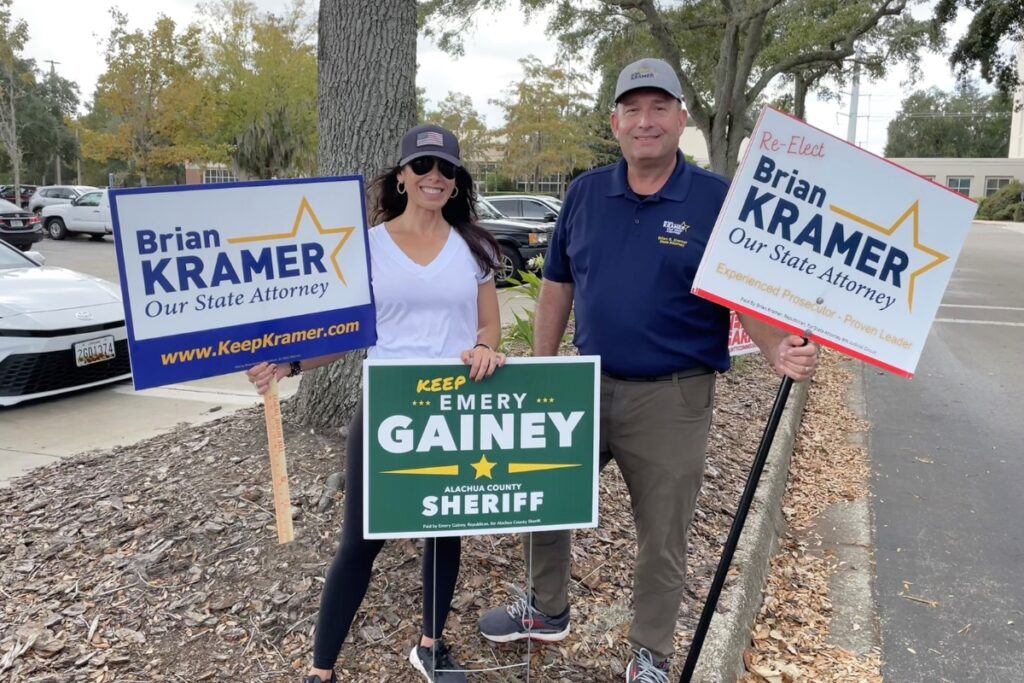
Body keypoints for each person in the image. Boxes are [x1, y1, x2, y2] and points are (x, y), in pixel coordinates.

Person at [477, 58, 819, 681]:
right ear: (615, 124)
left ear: (681, 119)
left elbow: (746, 292)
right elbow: (558, 285)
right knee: (544, 496)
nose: (646, 121)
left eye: (659, 107)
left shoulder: (715, 199)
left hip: (672, 396)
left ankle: (650, 652)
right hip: (584, 385)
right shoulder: (584, 194)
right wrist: (542, 369)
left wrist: (777, 350)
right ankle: (547, 608)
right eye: (632, 109)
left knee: (662, 534)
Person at [247, 123, 505, 683]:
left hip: (455, 410)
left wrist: (486, 347)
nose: (434, 176)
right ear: (402, 176)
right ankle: (321, 669)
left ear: (456, 181)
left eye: (446, 168)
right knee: (360, 542)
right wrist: (289, 364)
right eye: (423, 166)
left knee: (445, 532)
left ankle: (430, 645)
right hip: (390, 410)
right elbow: (344, 335)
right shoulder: (366, 246)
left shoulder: (474, 247)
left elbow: (489, 323)